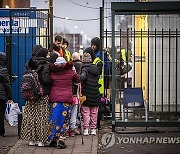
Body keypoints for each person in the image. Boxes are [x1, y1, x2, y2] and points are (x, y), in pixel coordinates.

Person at [21, 48, 52, 147]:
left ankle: (32, 139)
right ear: (44, 55)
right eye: (48, 54)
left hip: (30, 94)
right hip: (42, 94)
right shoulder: (46, 65)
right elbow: (46, 80)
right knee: (42, 116)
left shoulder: (29, 64)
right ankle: (41, 140)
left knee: (30, 116)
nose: (49, 56)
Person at [48, 57, 80, 148]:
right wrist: (74, 70)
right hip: (66, 99)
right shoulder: (70, 71)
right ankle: (61, 140)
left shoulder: (52, 71)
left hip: (55, 98)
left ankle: (53, 139)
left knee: (54, 118)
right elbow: (77, 80)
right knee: (65, 119)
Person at [80, 51, 101, 136]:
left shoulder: (84, 69)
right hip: (95, 92)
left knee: (85, 112)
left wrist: (79, 77)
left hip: (86, 93)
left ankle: (86, 129)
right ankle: (93, 129)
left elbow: (83, 77)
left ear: (83, 61)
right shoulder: (96, 68)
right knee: (94, 112)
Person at [69, 52, 82, 136]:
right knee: (74, 111)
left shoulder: (69, 68)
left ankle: (69, 128)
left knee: (69, 112)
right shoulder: (80, 66)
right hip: (75, 94)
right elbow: (78, 80)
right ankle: (73, 127)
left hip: (67, 95)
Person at [0, 52, 13, 136]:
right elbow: (6, 84)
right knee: (1, 113)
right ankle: (1, 131)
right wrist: (9, 96)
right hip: (1, 95)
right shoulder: (3, 70)